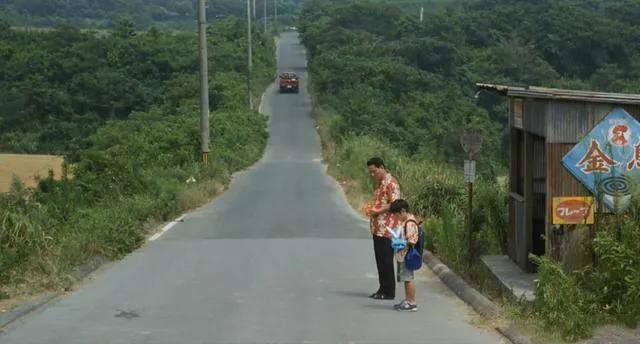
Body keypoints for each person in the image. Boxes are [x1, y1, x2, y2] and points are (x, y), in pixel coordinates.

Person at [366, 157, 400, 300]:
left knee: (386, 260)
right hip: (378, 229)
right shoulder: (381, 184)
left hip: (387, 229)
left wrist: (377, 211)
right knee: (380, 260)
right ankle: (382, 288)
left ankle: (389, 291)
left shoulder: (391, 183)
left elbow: (396, 204)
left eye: (374, 171)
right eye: (371, 173)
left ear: (382, 167)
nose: (373, 175)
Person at [388, 199, 419, 312]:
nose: (396, 218)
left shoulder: (410, 223)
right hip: (404, 253)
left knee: (408, 278)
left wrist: (401, 243)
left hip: (407, 254)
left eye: (396, 215)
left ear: (402, 211)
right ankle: (408, 300)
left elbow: (412, 240)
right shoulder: (407, 221)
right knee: (406, 278)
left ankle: (411, 302)